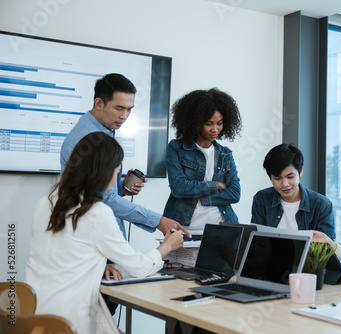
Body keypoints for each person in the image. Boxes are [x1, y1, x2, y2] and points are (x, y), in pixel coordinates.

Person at [26, 132, 184, 334]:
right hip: (70, 323)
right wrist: (167, 246)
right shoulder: (97, 213)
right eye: (117, 172)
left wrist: (101, 265)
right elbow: (139, 267)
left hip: (35, 317)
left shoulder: (44, 203)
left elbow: (64, 254)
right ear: (107, 173)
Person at [60, 73, 189, 240]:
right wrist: (158, 221)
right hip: (92, 238)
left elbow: (95, 190)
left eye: (129, 109)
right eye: (119, 108)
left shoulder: (101, 129)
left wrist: (119, 187)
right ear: (99, 103)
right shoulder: (91, 139)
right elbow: (105, 200)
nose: (124, 116)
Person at [162, 88, 242, 238]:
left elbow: (234, 193)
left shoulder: (225, 154)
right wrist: (216, 185)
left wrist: (199, 194)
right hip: (183, 229)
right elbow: (178, 188)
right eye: (209, 123)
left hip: (221, 228)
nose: (215, 129)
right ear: (196, 122)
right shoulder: (177, 148)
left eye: (219, 123)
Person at [251, 143, 335, 240]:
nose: (285, 184)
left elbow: (326, 250)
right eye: (277, 178)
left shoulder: (322, 205)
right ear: (270, 177)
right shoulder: (262, 198)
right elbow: (256, 241)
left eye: (290, 177)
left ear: (301, 171)